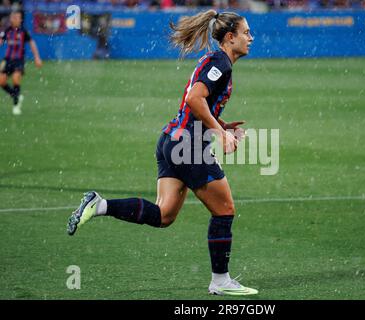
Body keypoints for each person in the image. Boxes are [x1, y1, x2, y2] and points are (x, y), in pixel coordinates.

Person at [67, 10, 257, 296]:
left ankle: (100, 204)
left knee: (164, 214)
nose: (250, 38)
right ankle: (220, 280)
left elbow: (195, 102)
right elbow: (195, 99)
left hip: (171, 140)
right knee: (225, 209)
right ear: (230, 38)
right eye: (245, 33)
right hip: (188, 146)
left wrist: (221, 125)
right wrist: (218, 133)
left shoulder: (213, 61)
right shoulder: (221, 62)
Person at [0, 11, 42, 115]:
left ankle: (16, 105)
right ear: (10, 19)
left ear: (20, 19)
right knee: (1, 81)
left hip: (19, 60)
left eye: (17, 17)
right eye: (13, 17)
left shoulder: (24, 31)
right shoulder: (7, 31)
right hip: (7, 59)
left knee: (15, 78)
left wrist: (37, 57)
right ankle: (15, 95)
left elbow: (32, 43)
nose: (15, 19)